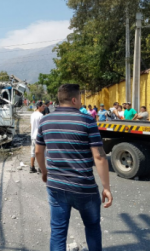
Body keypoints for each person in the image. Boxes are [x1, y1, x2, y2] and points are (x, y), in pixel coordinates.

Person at [35, 84, 112, 250]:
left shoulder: (45, 120)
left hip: (56, 186)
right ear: (74, 99)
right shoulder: (87, 121)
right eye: (80, 100)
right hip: (84, 187)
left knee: (58, 230)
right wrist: (106, 187)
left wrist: (44, 172)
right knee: (92, 227)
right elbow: (99, 156)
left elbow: (38, 152)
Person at [30, 101, 45, 173]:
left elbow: (31, 125)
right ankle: (40, 168)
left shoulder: (32, 115)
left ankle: (32, 167)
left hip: (33, 136)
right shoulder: (41, 115)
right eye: (43, 106)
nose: (44, 107)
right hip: (39, 136)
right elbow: (43, 127)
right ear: (39, 106)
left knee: (33, 152)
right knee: (41, 152)